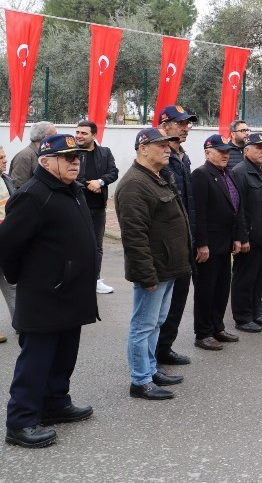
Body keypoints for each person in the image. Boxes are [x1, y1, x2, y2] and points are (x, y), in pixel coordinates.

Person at [0, 134, 98, 448]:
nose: (75, 162)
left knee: (65, 355)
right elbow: (8, 246)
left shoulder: (72, 189)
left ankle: (55, 403)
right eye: (68, 157)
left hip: (71, 293)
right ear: (45, 161)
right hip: (45, 294)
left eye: (78, 157)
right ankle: (20, 422)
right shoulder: (33, 194)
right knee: (36, 361)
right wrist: (24, 279)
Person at [117, 128, 191, 400]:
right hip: (154, 270)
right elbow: (134, 237)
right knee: (143, 325)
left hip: (168, 266)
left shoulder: (159, 177)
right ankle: (140, 381)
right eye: (160, 144)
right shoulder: (135, 184)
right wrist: (146, 275)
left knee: (156, 322)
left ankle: (149, 369)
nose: (167, 148)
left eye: (169, 144)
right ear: (142, 148)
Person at [190, 134, 244, 352]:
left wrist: (238, 237)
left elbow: (236, 208)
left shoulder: (227, 174)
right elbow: (198, 213)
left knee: (222, 288)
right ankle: (203, 333)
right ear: (207, 153)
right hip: (209, 245)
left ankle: (217, 327)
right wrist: (201, 243)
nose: (225, 155)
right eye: (220, 151)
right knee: (206, 290)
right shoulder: (201, 175)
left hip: (225, 242)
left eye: (227, 151)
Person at [155, 105, 198, 368]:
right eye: (180, 123)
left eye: (187, 124)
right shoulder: (157, 153)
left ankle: (165, 348)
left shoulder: (182, 155)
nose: (185, 128)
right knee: (160, 304)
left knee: (180, 295)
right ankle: (152, 355)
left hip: (185, 235)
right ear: (165, 124)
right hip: (166, 239)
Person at [230, 133, 262, 333]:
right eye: (258, 147)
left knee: (259, 278)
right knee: (245, 279)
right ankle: (242, 317)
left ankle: (255, 311)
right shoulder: (240, 172)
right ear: (246, 150)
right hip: (250, 238)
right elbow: (238, 208)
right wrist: (242, 237)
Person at [74, 120, 119, 295]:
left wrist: (100, 182)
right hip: (77, 206)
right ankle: (76, 279)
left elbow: (113, 172)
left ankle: (95, 279)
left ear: (94, 135)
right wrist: (88, 184)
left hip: (98, 207)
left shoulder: (105, 153)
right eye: (77, 132)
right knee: (76, 243)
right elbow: (68, 175)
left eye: (84, 133)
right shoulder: (72, 153)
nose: (79, 136)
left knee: (97, 245)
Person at [0, 145, 17, 345]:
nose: (5, 160)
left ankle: (20, 324)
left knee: (12, 284)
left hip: (6, 241)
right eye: (1, 157)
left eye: (4, 157)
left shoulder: (8, 180)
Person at [9, 120, 56, 185]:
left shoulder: (47, 154)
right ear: (46, 138)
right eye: (55, 135)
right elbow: (18, 186)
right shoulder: (24, 157)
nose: (57, 138)